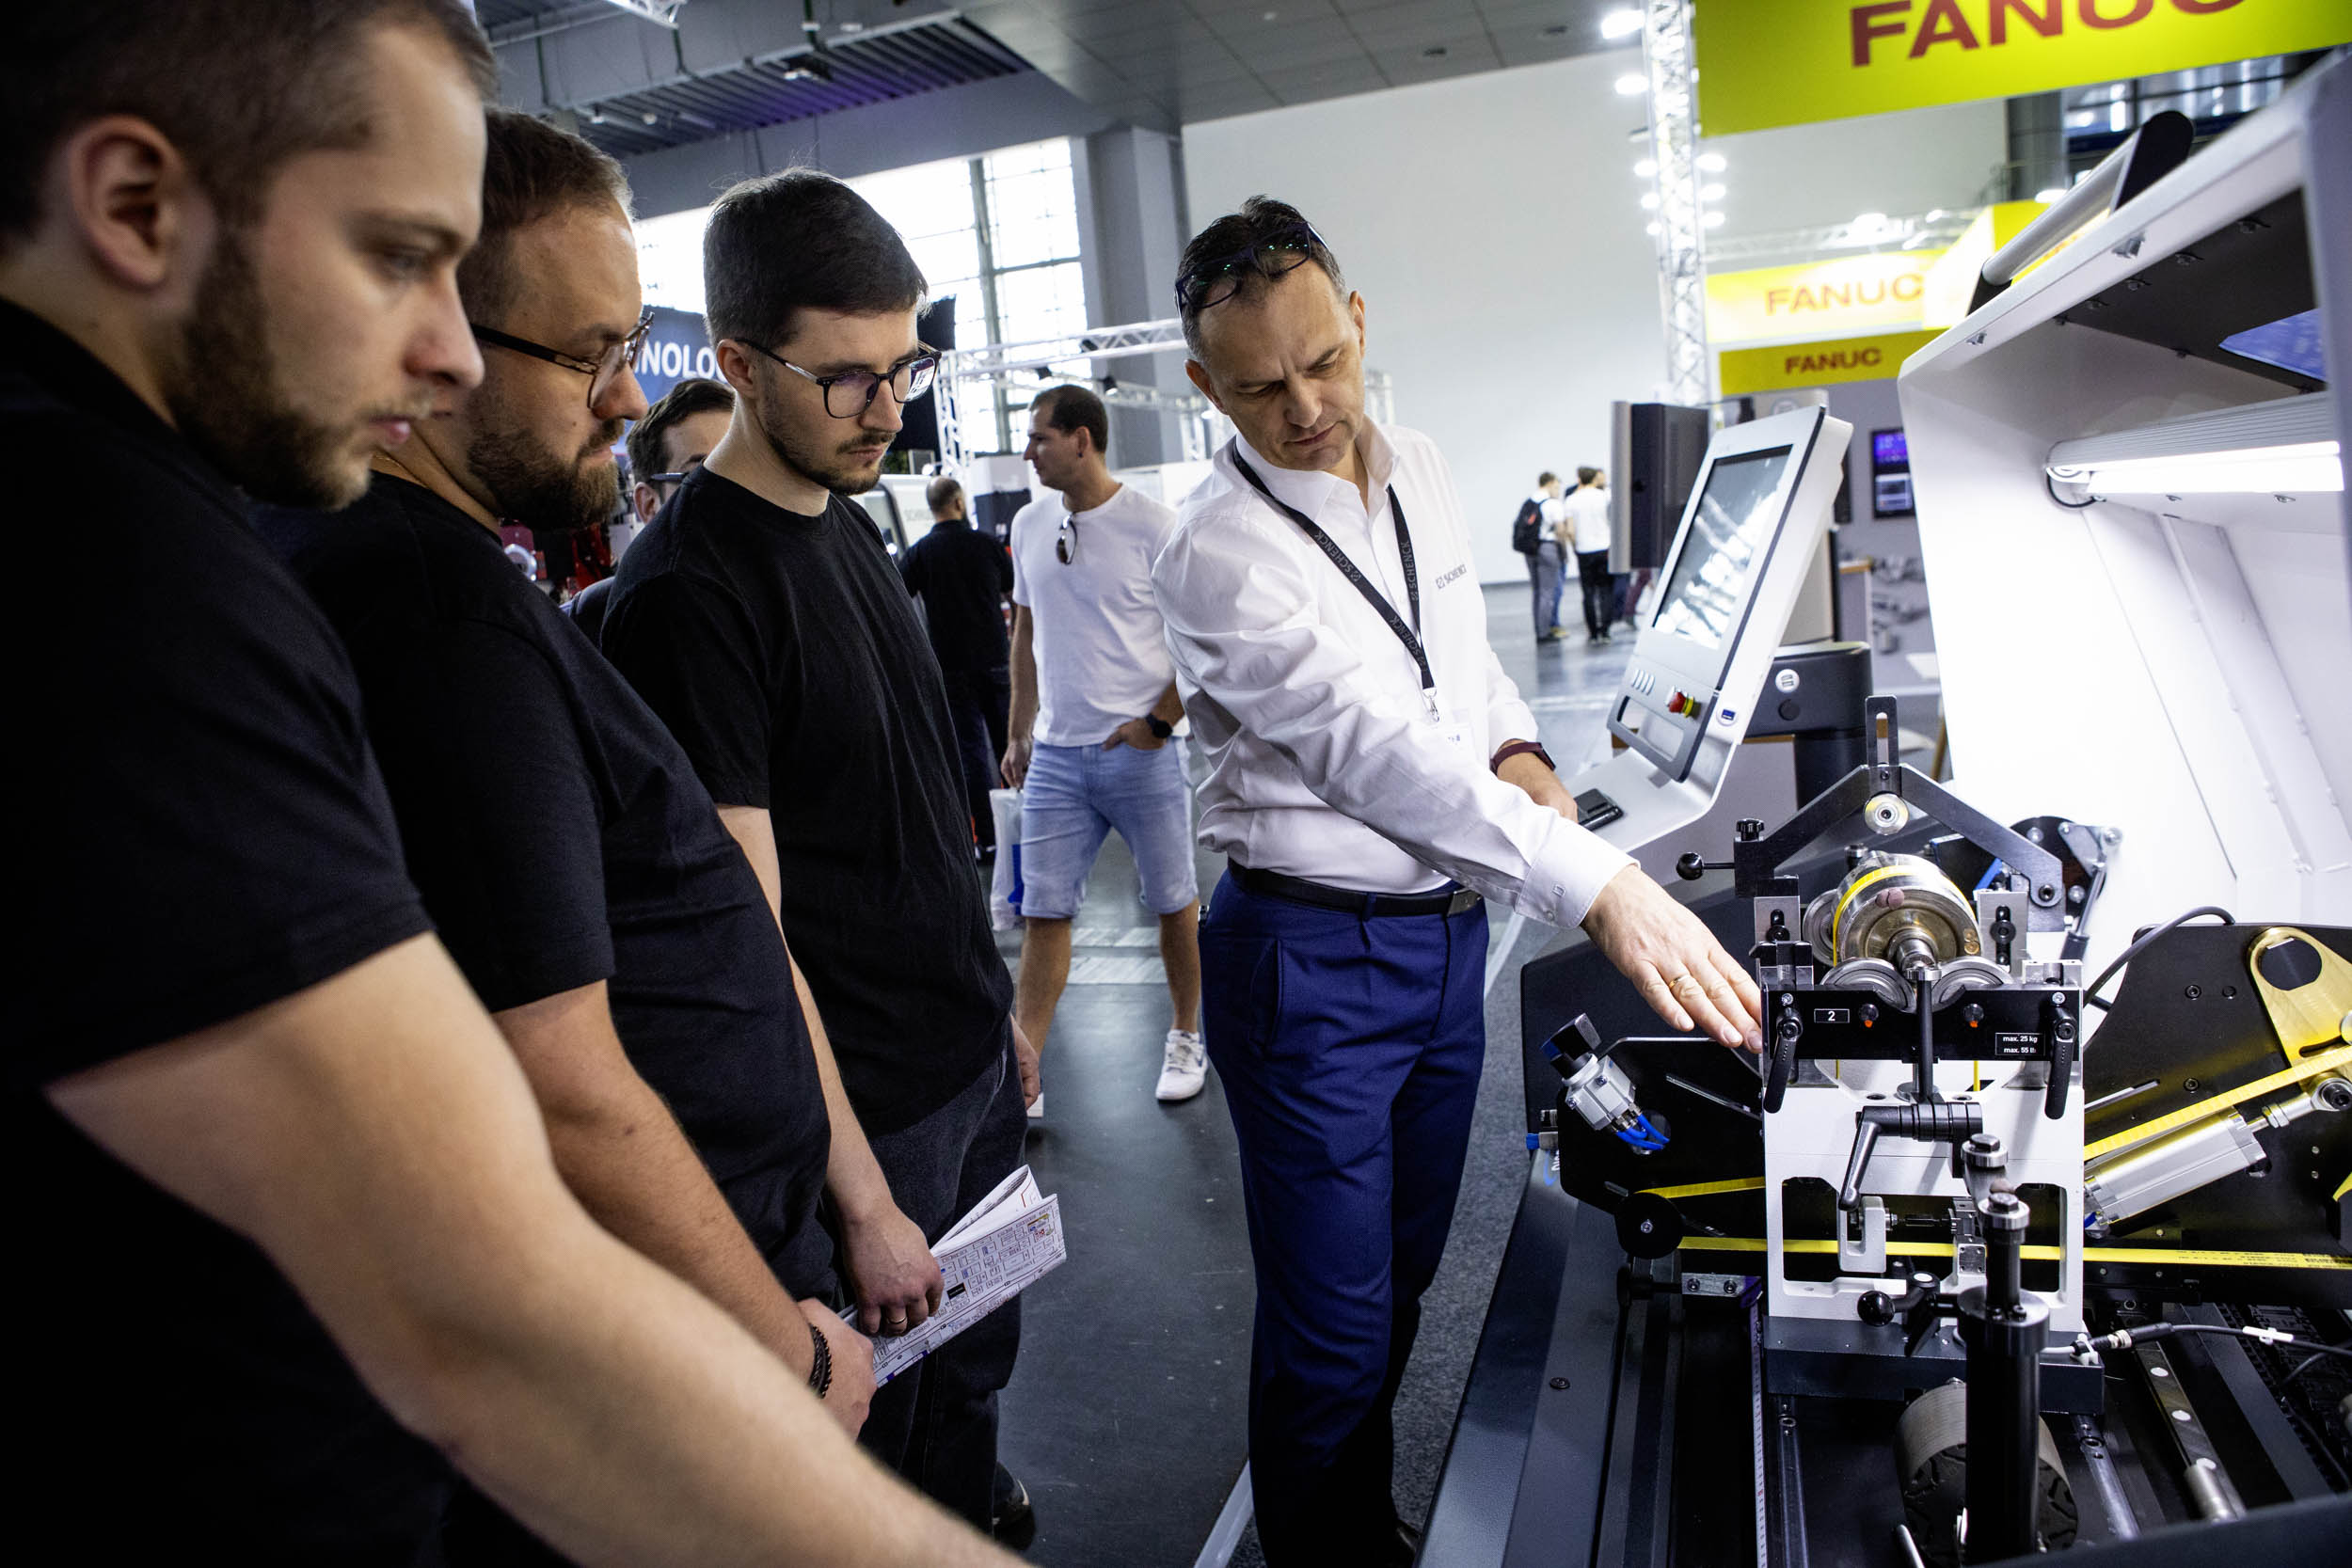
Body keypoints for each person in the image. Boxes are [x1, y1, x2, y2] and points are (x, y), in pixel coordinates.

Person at [2, 6, 1015, 1566]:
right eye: (399, 257)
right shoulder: (113, 552)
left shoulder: (167, 519)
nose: (448, 350)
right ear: (134, 205)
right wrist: (788, 1351)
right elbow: (484, 1284)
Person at [257, 109, 962, 1559]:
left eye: (629, 342)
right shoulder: (443, 619)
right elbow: (556, 1075)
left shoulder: (439, 583)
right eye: (589, 352)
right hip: (709, 1311)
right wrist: (780, 1342)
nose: (630, 392)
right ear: (428, 338)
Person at [1154, 197, 1765, 1567]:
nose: (1306, 407)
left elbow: (1460, 664)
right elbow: (1376, 755)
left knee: (1402, 1282)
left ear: (1359, 321)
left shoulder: (1419, 461)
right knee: (1331, 1325)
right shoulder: (1215, 553)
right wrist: (1594, 881)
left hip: (1440, 944)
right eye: (1258, 387)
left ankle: (1354, 1523)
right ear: (1204, 384)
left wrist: (1521, 749)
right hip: (1309, 961)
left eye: (1325, 360)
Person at [599, 168, 1031, 1539]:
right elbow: (750, 935)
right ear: (738, 364)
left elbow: (908, 822)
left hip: (962, 1066)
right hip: (868, 1124)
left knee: (971, 1390)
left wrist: (996, 1018)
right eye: (847, 377)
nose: (888, 409)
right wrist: (860, 1196)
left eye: (905, 366)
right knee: (871, 1468)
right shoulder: (688, 599)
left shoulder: (846, 521)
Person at [999, 384, 1204, 1112]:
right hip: (1057, 756)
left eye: (1040, 437)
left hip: (1140, 754)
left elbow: (1197, 638)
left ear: (1082, 439)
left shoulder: (1154, 525)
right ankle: (1024, 1072)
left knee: (1173, 901)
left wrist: (1158, 723)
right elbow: (1025, 632)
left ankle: (1187, 1034)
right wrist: (1019, 729)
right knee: (1044, 912)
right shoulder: (1030, 524)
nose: (1028, 452)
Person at [901, 473, 1015, 864]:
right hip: (996, 662)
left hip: (951, 669)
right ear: (959, 503)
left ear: (932, 508)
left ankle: (988, 840)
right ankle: (1026, 828)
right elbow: (1014, 594)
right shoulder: (987, 545)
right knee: (1010, 745)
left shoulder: (920, 553)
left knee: (971, 755)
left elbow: (898, 600)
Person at [1565, 464, 1617, 644]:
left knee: (1588, 592)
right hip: (1604, 548)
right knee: (1605, 590)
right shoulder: (1605, 496)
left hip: (1584, 550)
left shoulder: (1571, 500)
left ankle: (1593, 633)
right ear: (1595, 478)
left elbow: (1570, 530)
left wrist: (1575, 546)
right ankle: (1606, 630)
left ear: (1579, 479)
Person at [1524, 468, 1566, 641]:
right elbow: (1560, 530)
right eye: (1556, 486)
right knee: (1548, 591)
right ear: (1549, 483)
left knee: (1537, 591)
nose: (1558, 490)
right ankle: (1545, 631)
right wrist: (1564, 551)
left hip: (1530, 549)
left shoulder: (1529, 502)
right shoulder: (1553, 504)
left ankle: (1538, 629)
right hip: (1548, 548)